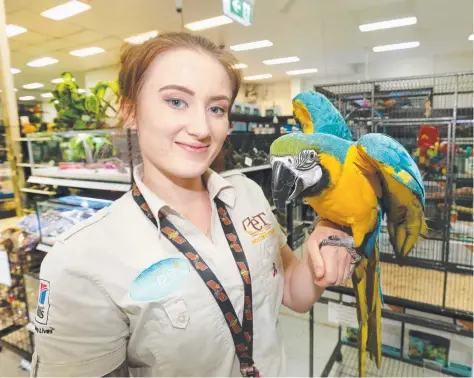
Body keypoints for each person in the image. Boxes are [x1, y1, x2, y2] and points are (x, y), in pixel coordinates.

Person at [32, 32, 354, 377]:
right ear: (130, 111)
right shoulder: (81, 259)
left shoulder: (246, 195)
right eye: (175, 101)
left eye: (216, 108)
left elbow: (293, 290)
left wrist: (323, 249)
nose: (202, 128)